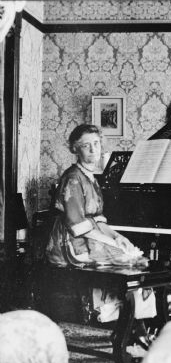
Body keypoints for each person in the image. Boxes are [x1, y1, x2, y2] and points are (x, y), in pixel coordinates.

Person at [46, 124, 145, 322]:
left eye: (96, 143)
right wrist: (111, 243)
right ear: (75, 149)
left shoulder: (91, 178)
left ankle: (132, 320)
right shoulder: (73, 178)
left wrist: (118, 237)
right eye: (86, 145)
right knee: (130, 263)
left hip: (87, 236)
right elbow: (77, 225)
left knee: (134, 257)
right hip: (71, 243)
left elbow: (98, 219)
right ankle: (111, 316)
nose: (93, 149)